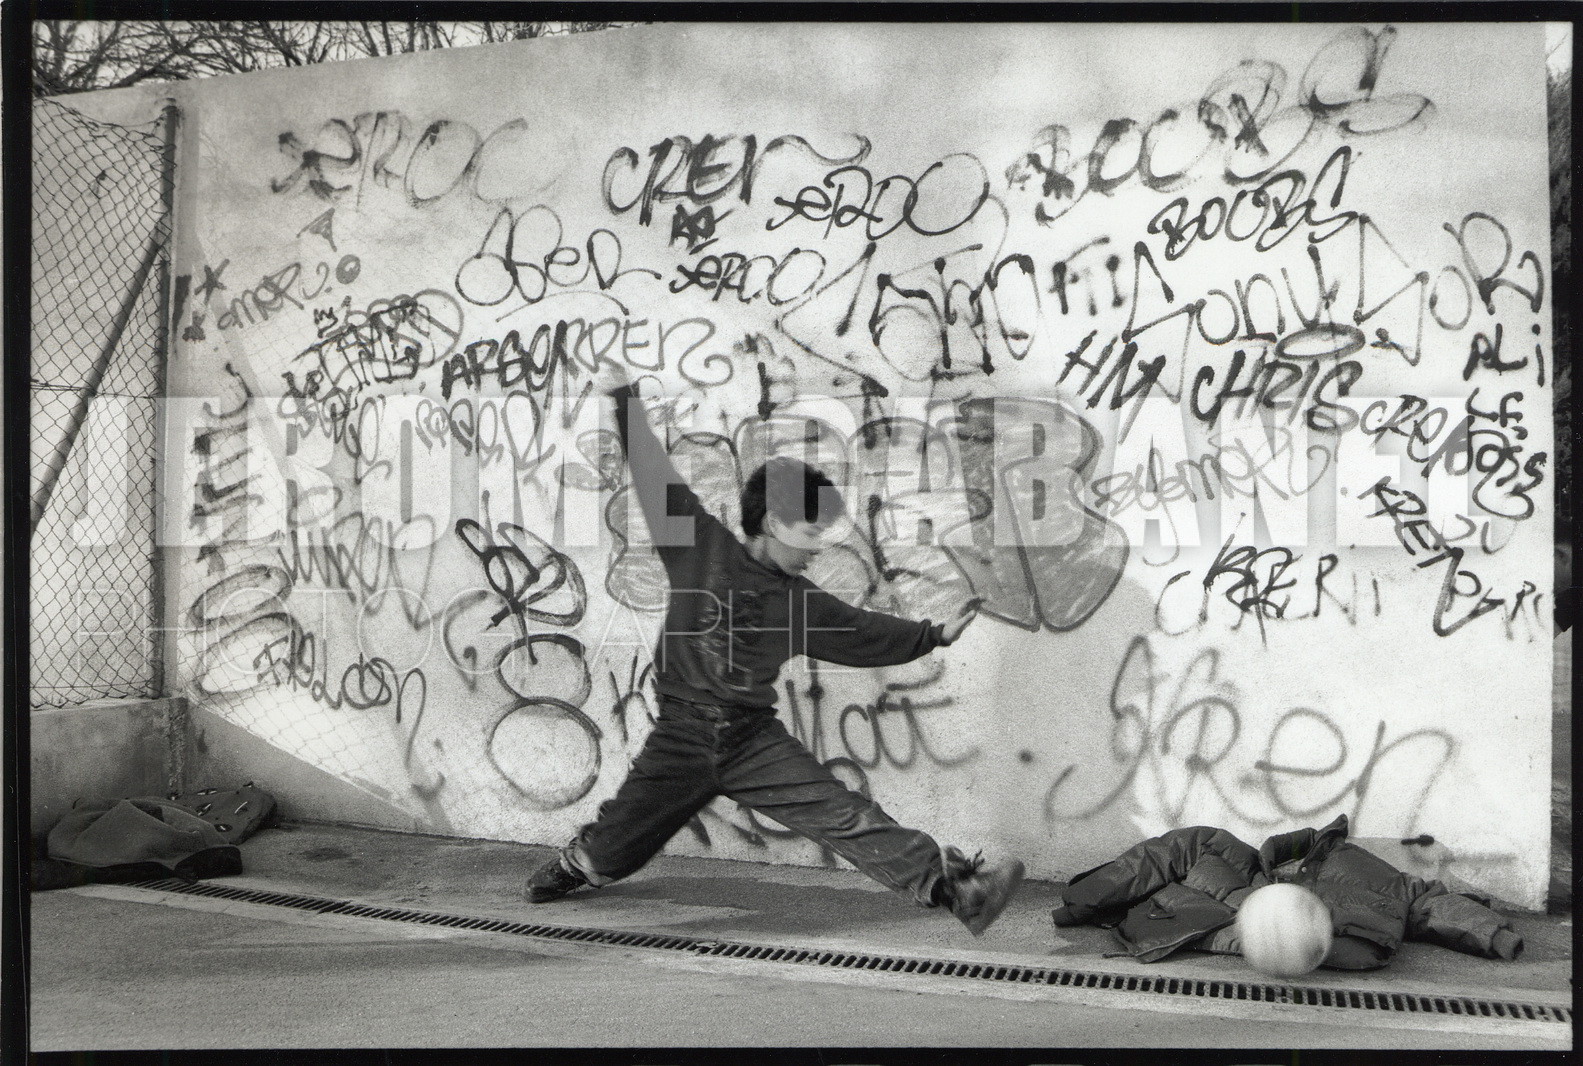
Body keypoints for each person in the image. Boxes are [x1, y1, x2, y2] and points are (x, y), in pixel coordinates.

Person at [525, 365, 1025, 935]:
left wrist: (932, 636)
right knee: (615, 846)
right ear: (771, 521)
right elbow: (651, 473)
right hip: (681, 738)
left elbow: (860, 632)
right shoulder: (697, 545)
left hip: (750, 740)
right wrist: (623, 398)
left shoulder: (801, 602)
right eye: (808, 533)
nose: (816, 549)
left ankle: (955, 889)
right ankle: (580, 864)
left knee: (845, 814)